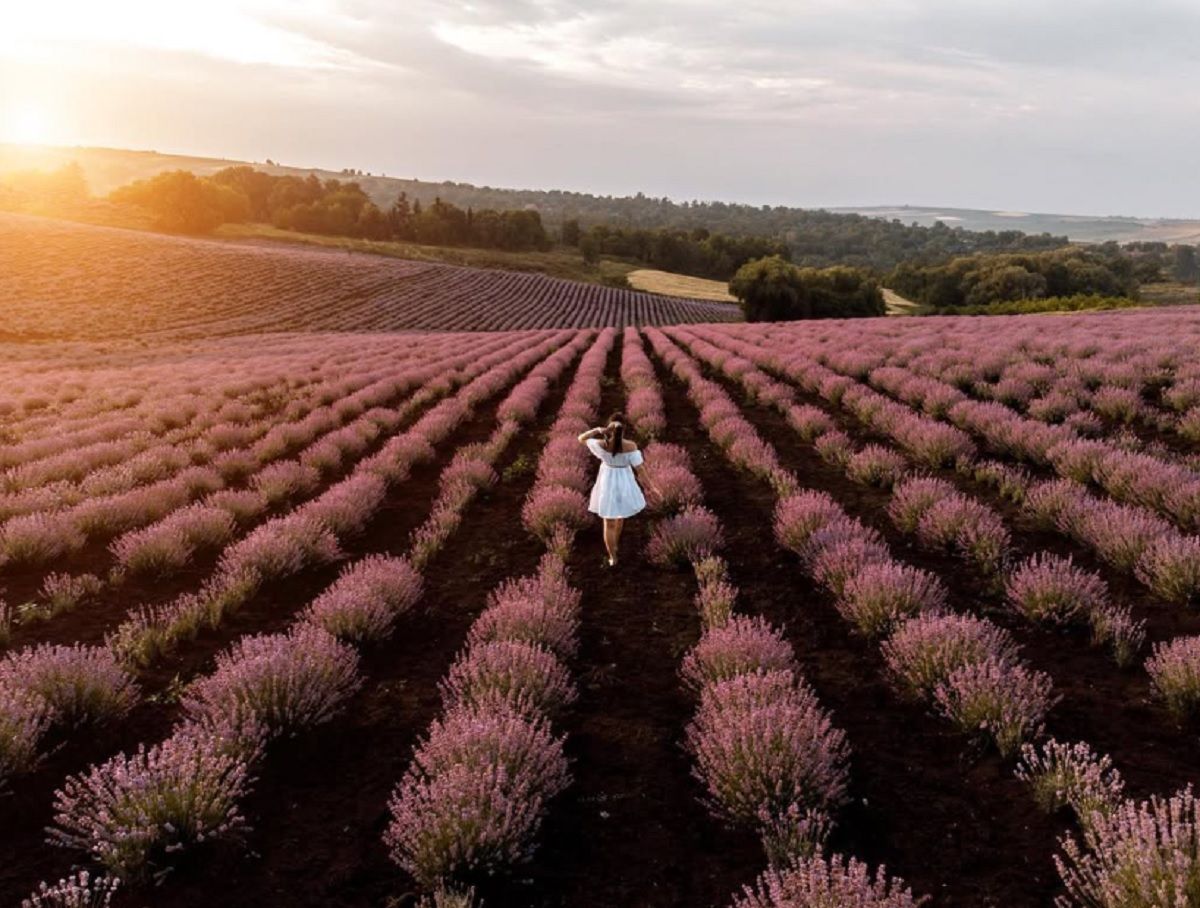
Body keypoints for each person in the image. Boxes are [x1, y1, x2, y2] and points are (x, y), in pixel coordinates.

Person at [577, 412, 654, 566]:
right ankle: (615, 543)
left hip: (607, 481)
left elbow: (581, 438)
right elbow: (641, 471)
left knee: (608, 521)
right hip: (625, 481)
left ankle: (613, 557)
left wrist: (598, 430)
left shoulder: (601, 444)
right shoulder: (631, 446)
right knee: (620, 515)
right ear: (624, 429)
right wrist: (651, 488)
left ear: (609, 429)